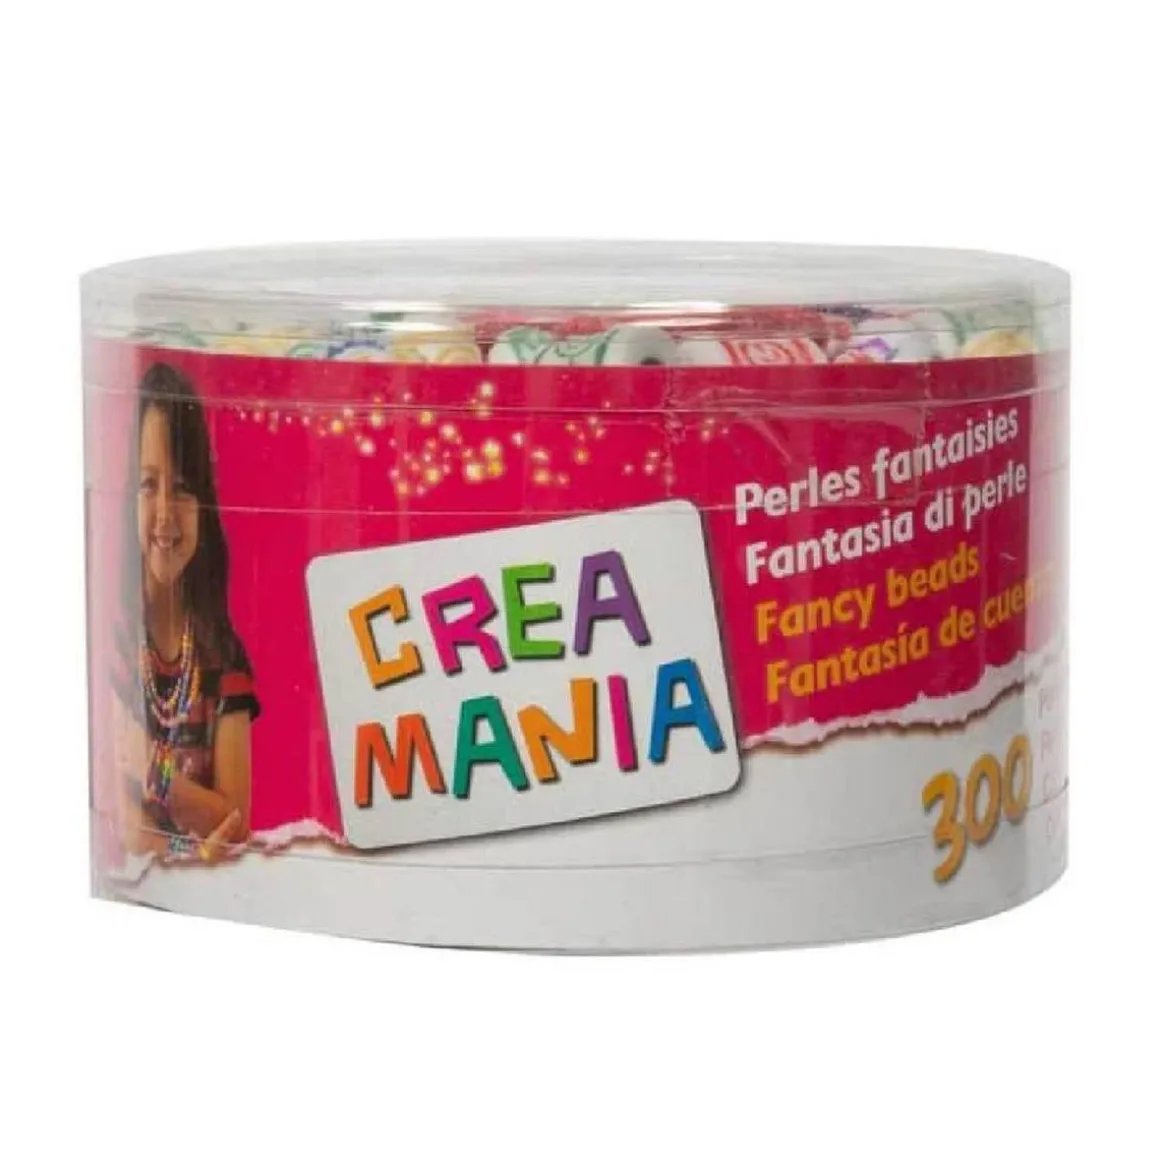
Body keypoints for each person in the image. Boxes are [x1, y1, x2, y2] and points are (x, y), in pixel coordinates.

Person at [112, 363, 258, 862]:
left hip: (217, 897)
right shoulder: (112, 641)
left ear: (204, 505)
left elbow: (235, 825)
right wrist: (195, 845)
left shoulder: (224, 657)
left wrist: (154, 773)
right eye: (148, 485)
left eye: (181, 488)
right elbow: (129, 834)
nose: (165, 515)